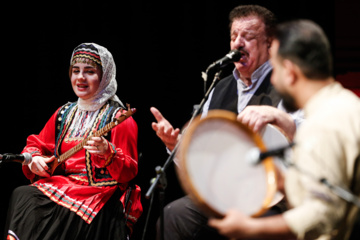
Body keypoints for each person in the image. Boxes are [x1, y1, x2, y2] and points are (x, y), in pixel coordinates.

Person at [151, 5, 304, 240]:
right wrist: (176, 146)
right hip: (226, 195)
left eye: (249, 37)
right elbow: (205, 158)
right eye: (234, 36)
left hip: (272, 198)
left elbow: (312, 140)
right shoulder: (219, 87)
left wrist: (281, 119)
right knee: (174, 215)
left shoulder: (289, 83)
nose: (238, 43)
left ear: (270, 44)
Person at [208, 19, 360, 240]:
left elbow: (323, 215)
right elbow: (331, 187)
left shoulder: (324, 124)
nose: (274, 80)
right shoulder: (343, 104)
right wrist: (282, 181)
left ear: (289, 72)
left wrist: (250, 229)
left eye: (276, 69)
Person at [4, 43, 142, 240]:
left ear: (104, 76)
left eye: (90, 72)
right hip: (63, 184)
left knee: (70, 213)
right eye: (75, 71)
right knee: (23, 194)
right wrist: (34, 159)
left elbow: (129, 171)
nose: (80, 78)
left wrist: (108, 153)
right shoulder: (64, 114)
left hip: (100, 192)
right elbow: (36, 143)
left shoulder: (119, 118)